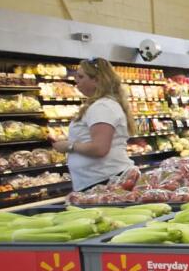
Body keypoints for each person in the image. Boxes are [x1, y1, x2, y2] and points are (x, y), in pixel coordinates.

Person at [51, 57, 136, 192]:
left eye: (81, 76)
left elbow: (99, 148)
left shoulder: (102, 107)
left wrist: (69, 146)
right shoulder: (101, 105)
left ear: (96, 80)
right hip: (101, 180)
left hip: (104, 181)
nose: (76, 80)